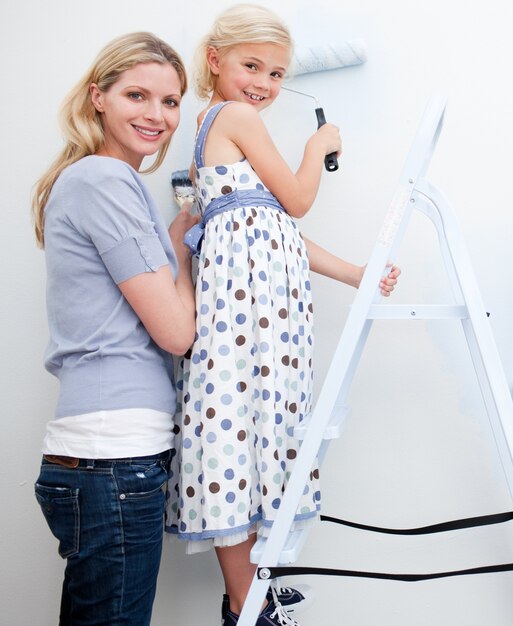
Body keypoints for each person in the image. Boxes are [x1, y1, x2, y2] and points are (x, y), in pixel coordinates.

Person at [165, 5, 400, 626]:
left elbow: (276, 227)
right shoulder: (235, 116)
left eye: (276, 73)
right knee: (235, 439)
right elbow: (296, 200)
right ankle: (245, 601)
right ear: (214, 61)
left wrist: (357, 272)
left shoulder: (222, 132)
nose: (264, 84)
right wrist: (316, 146)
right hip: (247, 321)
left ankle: (252, 592)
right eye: (251, 66)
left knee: (252, 439)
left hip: (266, 321)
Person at [32, 32, 197, 626]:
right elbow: (177, 332)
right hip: (113, 459)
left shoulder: (101, 181)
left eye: (171, 101)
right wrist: (183, 261)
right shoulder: (105, 179)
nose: (156, 115)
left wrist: (176, 233)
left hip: (104, 459)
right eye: (138, 95)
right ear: (98, 97)